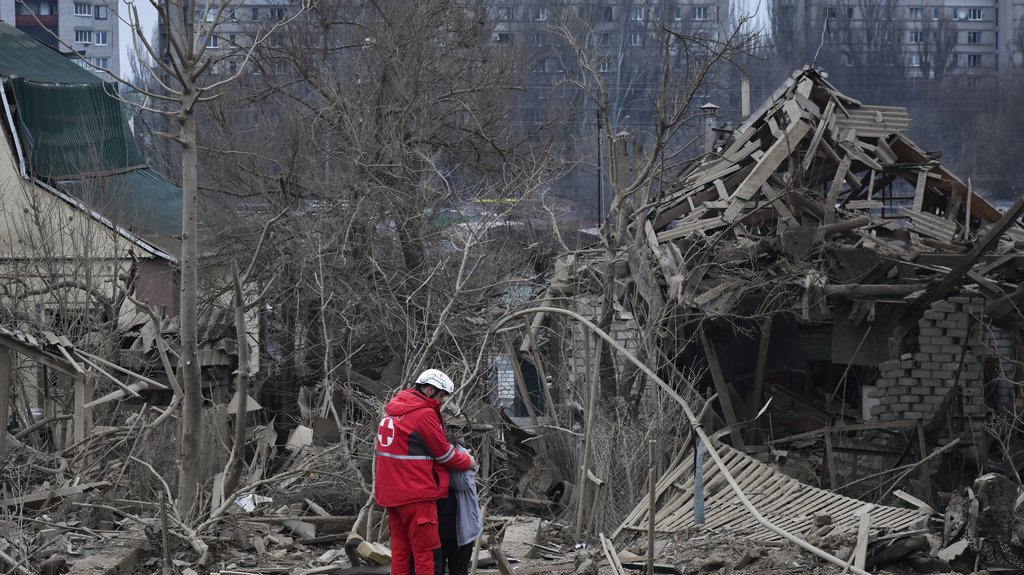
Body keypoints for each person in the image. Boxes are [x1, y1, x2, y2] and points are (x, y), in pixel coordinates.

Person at [375, 369, 475, 575]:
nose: (440, 402)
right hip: (416, 495)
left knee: (401, 552)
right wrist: (468, 461)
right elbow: (445, 454)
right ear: (429, 389)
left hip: (390, 495)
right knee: (425, 555)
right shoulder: (423, 414)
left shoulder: (393, 410)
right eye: (440, 396)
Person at [434, 433, 483, 575]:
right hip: (456, 531)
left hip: (457, 531)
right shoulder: (465, 463)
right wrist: (467, 462)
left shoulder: (433, 464)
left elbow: (461, 484)